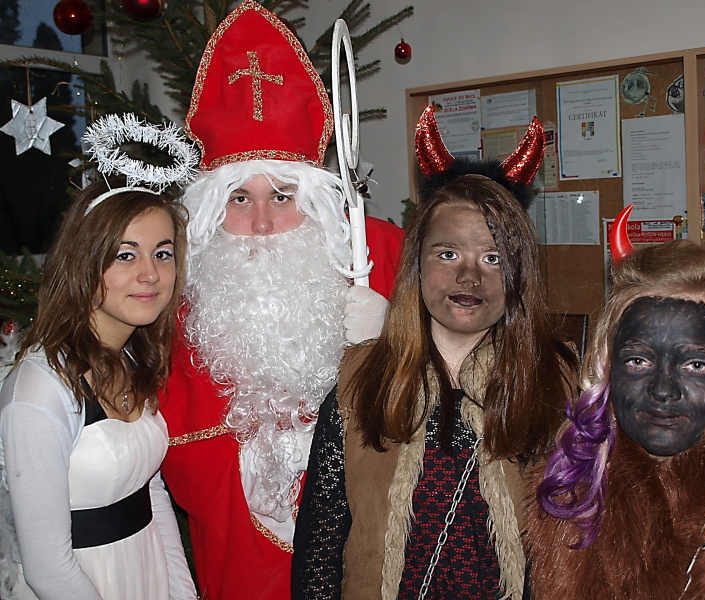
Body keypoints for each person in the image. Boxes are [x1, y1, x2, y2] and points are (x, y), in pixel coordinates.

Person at [157, 3, 404, 600]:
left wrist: (390, 339)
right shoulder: (179, 295)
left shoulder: (378, 257)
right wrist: (261, 448)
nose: (263, 223)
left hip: (361, 541)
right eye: (240, 199)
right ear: (212, 210)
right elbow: (172, 439)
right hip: (244, 550)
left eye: (283, 196)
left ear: (314, 202)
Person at [293, 174, 578, 600]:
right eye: (448, 254)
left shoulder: (555, 383)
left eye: (493, 258)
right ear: (418, 265)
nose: (469, 276)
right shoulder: (361, 381)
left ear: (518, 273)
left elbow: (576, 539)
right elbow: (321, 543)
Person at [527, 207, 705, 599]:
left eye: (695, 364)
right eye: (638, 361)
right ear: (608, 370)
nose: (663, 390)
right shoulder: (563, 497)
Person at [0, 177, 196, 600]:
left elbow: (149, 489)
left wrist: (182, 591)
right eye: (126, 255)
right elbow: (47, 569)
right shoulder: (40, 390)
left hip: (146, 572)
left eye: (162, 253)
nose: (150, 273)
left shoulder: (133, 359)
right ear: (84, 262)